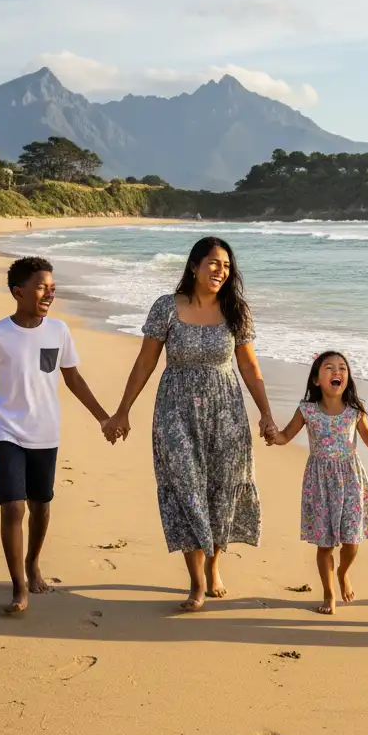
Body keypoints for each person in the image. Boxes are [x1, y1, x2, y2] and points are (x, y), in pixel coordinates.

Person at [104, 237, 277, 612]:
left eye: (227, 266)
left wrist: (265, 412)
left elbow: (248, 365)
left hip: (225, 410)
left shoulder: (236, 311)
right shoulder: (167, 308)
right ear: (194, 266)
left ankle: (214, 566)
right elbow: (145, 362)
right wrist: (123, 410)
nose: (221, 271)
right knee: (186, 488)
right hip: (175, 410)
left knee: (221, 488)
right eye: (214, 263)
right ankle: (197, 582)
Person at [0, 256, 113, 613]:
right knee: (13, 506)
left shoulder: (58, 331)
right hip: (4, 428)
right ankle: (19, 587)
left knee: (41, 505)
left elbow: (71, 378)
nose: (49, 292)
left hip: (45, 431)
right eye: (41, 286)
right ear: (18, 292)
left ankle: (33, 563)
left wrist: (104, 417)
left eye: (51, 287)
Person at [269, 351, 368, 614]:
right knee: (325, 544)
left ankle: (343, 572)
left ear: (347, 377)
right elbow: (285, 436)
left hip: (351, 480)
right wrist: (272, 435)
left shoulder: (354, 411)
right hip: (319, 483)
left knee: (352, 541)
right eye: (329, 368)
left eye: (342, 368)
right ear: (316, 380)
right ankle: (329, 593)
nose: (337, 372)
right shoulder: (307, 410)